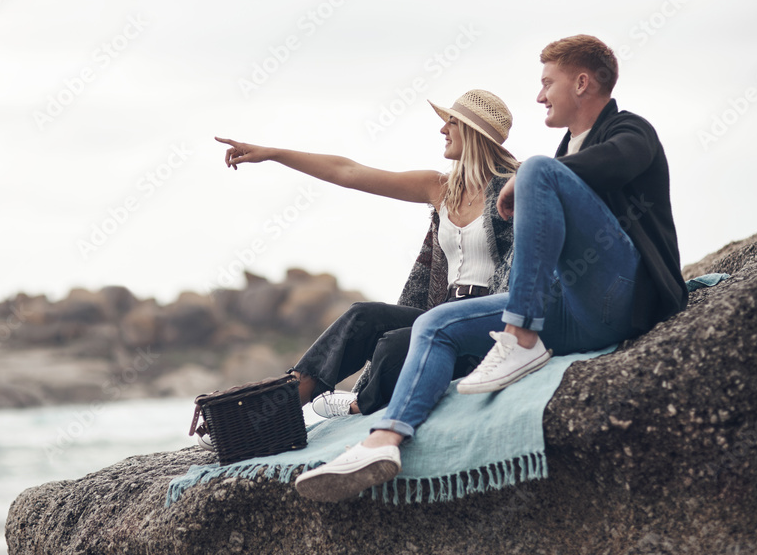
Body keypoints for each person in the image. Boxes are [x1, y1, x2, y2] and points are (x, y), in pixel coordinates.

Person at [294, 35, 690, 502]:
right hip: (571, 312)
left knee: (539, 169)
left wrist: (527, 178)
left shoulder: (628, 130)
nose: (540, 95)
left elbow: (619, 162)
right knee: (435, 322)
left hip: (621, 294)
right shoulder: (553, 159)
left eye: (548, 83)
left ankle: (519, 338)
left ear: (582, 83)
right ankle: (384, 440)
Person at [198, 89, 520, 449]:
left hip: (483, 326)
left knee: (398, 343)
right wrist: (274, 154)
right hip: (440, 314)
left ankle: (356, 404)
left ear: (475, 133)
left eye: (452, 123)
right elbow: (348, 172)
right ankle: (265, 416)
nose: (443, 130)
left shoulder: (515, 188)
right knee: (362, 316)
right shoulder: (440, 187)